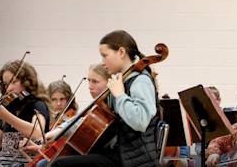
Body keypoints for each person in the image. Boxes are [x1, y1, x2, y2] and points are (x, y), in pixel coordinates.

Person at [50, 30, 160, 167]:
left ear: (121, 52)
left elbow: (140, 122)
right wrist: (60, 131)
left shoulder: (140, 81)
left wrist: (120, 95)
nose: (102, 62)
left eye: (105, 55)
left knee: (60, 165)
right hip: (118, 153)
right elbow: (92, 120)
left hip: (133, 159)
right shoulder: (120, 81)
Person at [21, 63, 111, 167]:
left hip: (105, 154)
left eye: (95, 81)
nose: (89, 87)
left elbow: (78, 127)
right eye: (89, 81)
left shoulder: (104, 109)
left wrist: (59, 131)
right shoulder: (97, 107)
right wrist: (40, 148)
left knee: (46, 164)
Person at [0, 60, 51, 167]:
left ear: (26, 82)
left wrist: (5, 115)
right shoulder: (11, 110)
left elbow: (38, 133)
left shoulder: (38, 105)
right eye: (6, 84)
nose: (9, 88)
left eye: (13, 82)